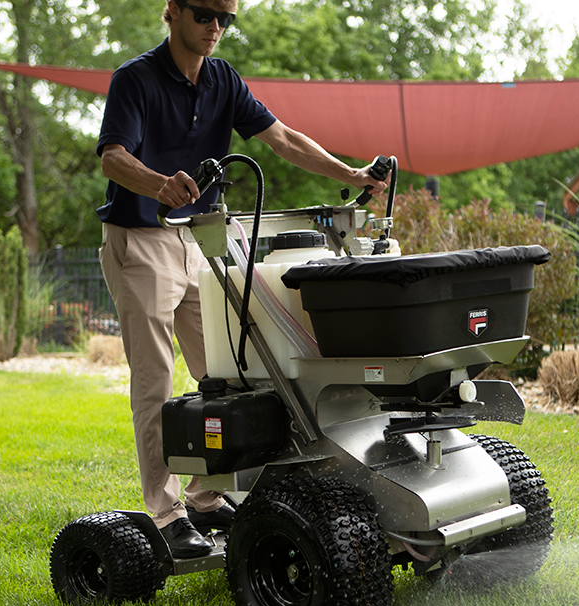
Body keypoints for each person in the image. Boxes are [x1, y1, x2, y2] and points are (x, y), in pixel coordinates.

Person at [96, 0, 389, 559]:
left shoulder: (224, 80)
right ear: (174, 11)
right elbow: (113, 158)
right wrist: (160, 184)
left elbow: (283, 139)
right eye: (205, 13)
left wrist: (351, 174)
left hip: (202, 236)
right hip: (141, 238)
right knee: (155, 379)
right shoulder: (135, 79)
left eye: (225, 18)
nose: (215, 28)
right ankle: (165, 514)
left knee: (226, 372)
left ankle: (206, 496)